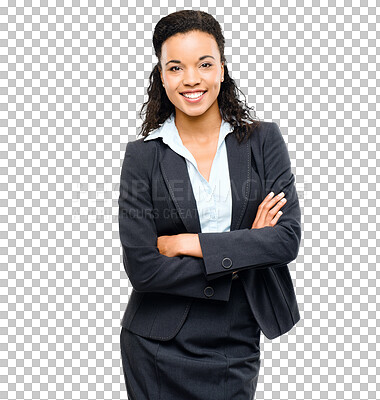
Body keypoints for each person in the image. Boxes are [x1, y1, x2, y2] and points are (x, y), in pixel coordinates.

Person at [118, 9, 302, 400]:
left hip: (234, 339)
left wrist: (188, 243)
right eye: (175, 67)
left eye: (204, 63)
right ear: (161, 77)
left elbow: (285, 241)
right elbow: (143, 268)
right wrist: (241, 253)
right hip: (155, 344)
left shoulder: (263, 142)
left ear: (221, 69)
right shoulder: (142, 157)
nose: (191, 79)